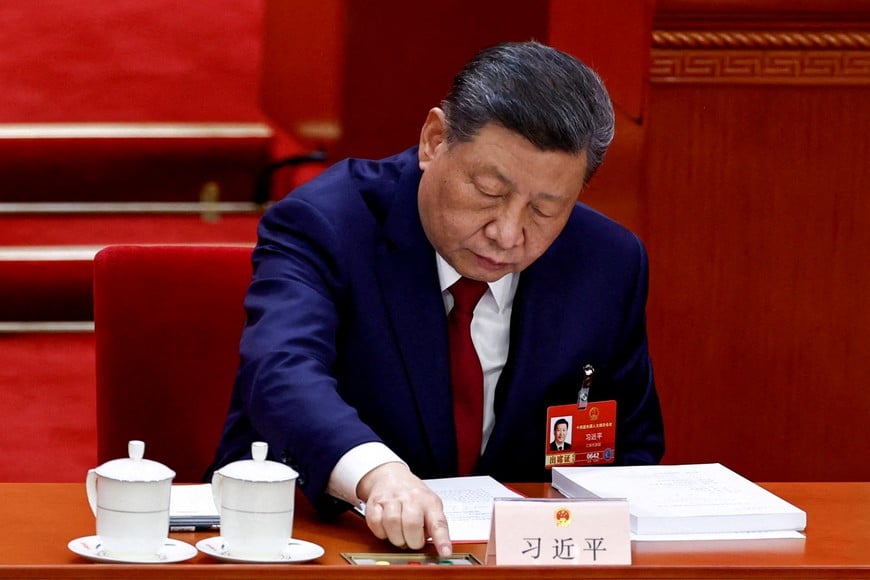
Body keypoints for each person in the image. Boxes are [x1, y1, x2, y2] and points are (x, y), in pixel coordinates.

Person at [210, 40, 664, 557]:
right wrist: (377, 474)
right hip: (313, 542)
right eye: (489, 192)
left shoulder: (607, 263)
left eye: (545, 209)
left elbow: (629, 445)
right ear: (434, 140)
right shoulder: (327, 222)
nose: (508, 232)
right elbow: (280, 371)